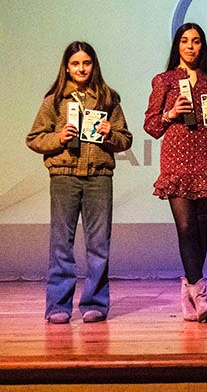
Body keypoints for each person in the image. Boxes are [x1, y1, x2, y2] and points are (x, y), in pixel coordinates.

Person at [27, 42, 132, 324]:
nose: (81, 68)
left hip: (99, 176)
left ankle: (95, 303)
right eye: (75, 63)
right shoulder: (54, 100)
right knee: (61, 244)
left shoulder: (107, 98)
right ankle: (58, 306)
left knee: (99, 245)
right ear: (66, 67)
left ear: (93, 65)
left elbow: (125, 139)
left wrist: (111, 134)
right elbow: (34, 138)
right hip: (64, 175)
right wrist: (58, 138)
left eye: (86, 63)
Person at [144, 22, 207, 322]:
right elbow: (151, 125)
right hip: (176, 159)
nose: (191, 46)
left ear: (202, 46)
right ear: (177, 45)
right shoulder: (164, 80)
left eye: (196, 41)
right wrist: (170, 113)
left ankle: (188, 289)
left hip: (205, 156)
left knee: (200, 231)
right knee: (186, 227)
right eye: (185, 41)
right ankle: (201, 295)